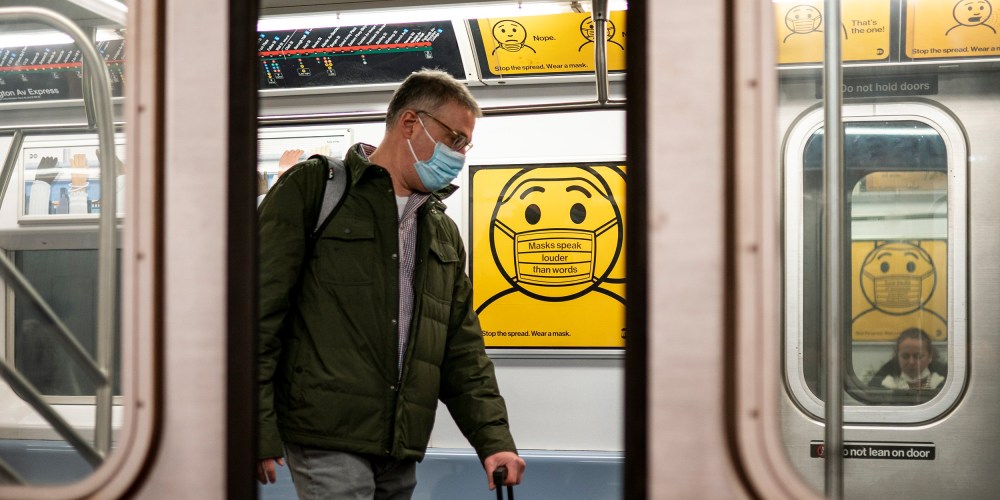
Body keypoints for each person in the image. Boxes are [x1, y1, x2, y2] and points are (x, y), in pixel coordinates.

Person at [256, 69, 525, 499]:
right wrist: (255, 424)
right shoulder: (315, 190)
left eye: (465, 144)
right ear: (410, 124)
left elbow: (461, 347)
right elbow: (258, 312)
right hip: (327, 433)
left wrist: (494, 442)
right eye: (454, 139)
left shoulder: (440, 230)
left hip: (399, 443)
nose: (459, 154)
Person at [868, 328, 946, 390]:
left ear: (930, 357)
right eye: (905, 356)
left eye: (918, 356)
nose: (911, 362)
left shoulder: (943, 382)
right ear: (898, 357)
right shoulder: (886, 383)